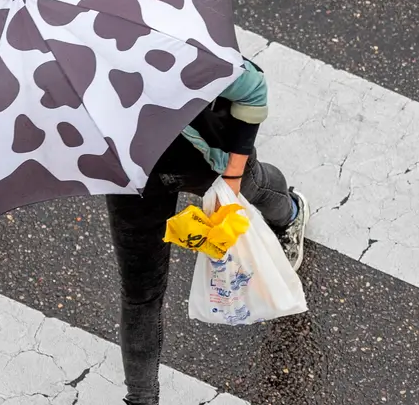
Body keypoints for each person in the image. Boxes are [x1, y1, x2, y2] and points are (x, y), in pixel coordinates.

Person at [106, 56, 310, 405]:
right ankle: (141, 400)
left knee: (253, 189)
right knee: (140, 294)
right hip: (133, 181)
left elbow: (252, 86)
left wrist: (232, 175)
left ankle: (290, 213)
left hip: (209, 156)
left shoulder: (165, 46)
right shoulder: (66, 75)